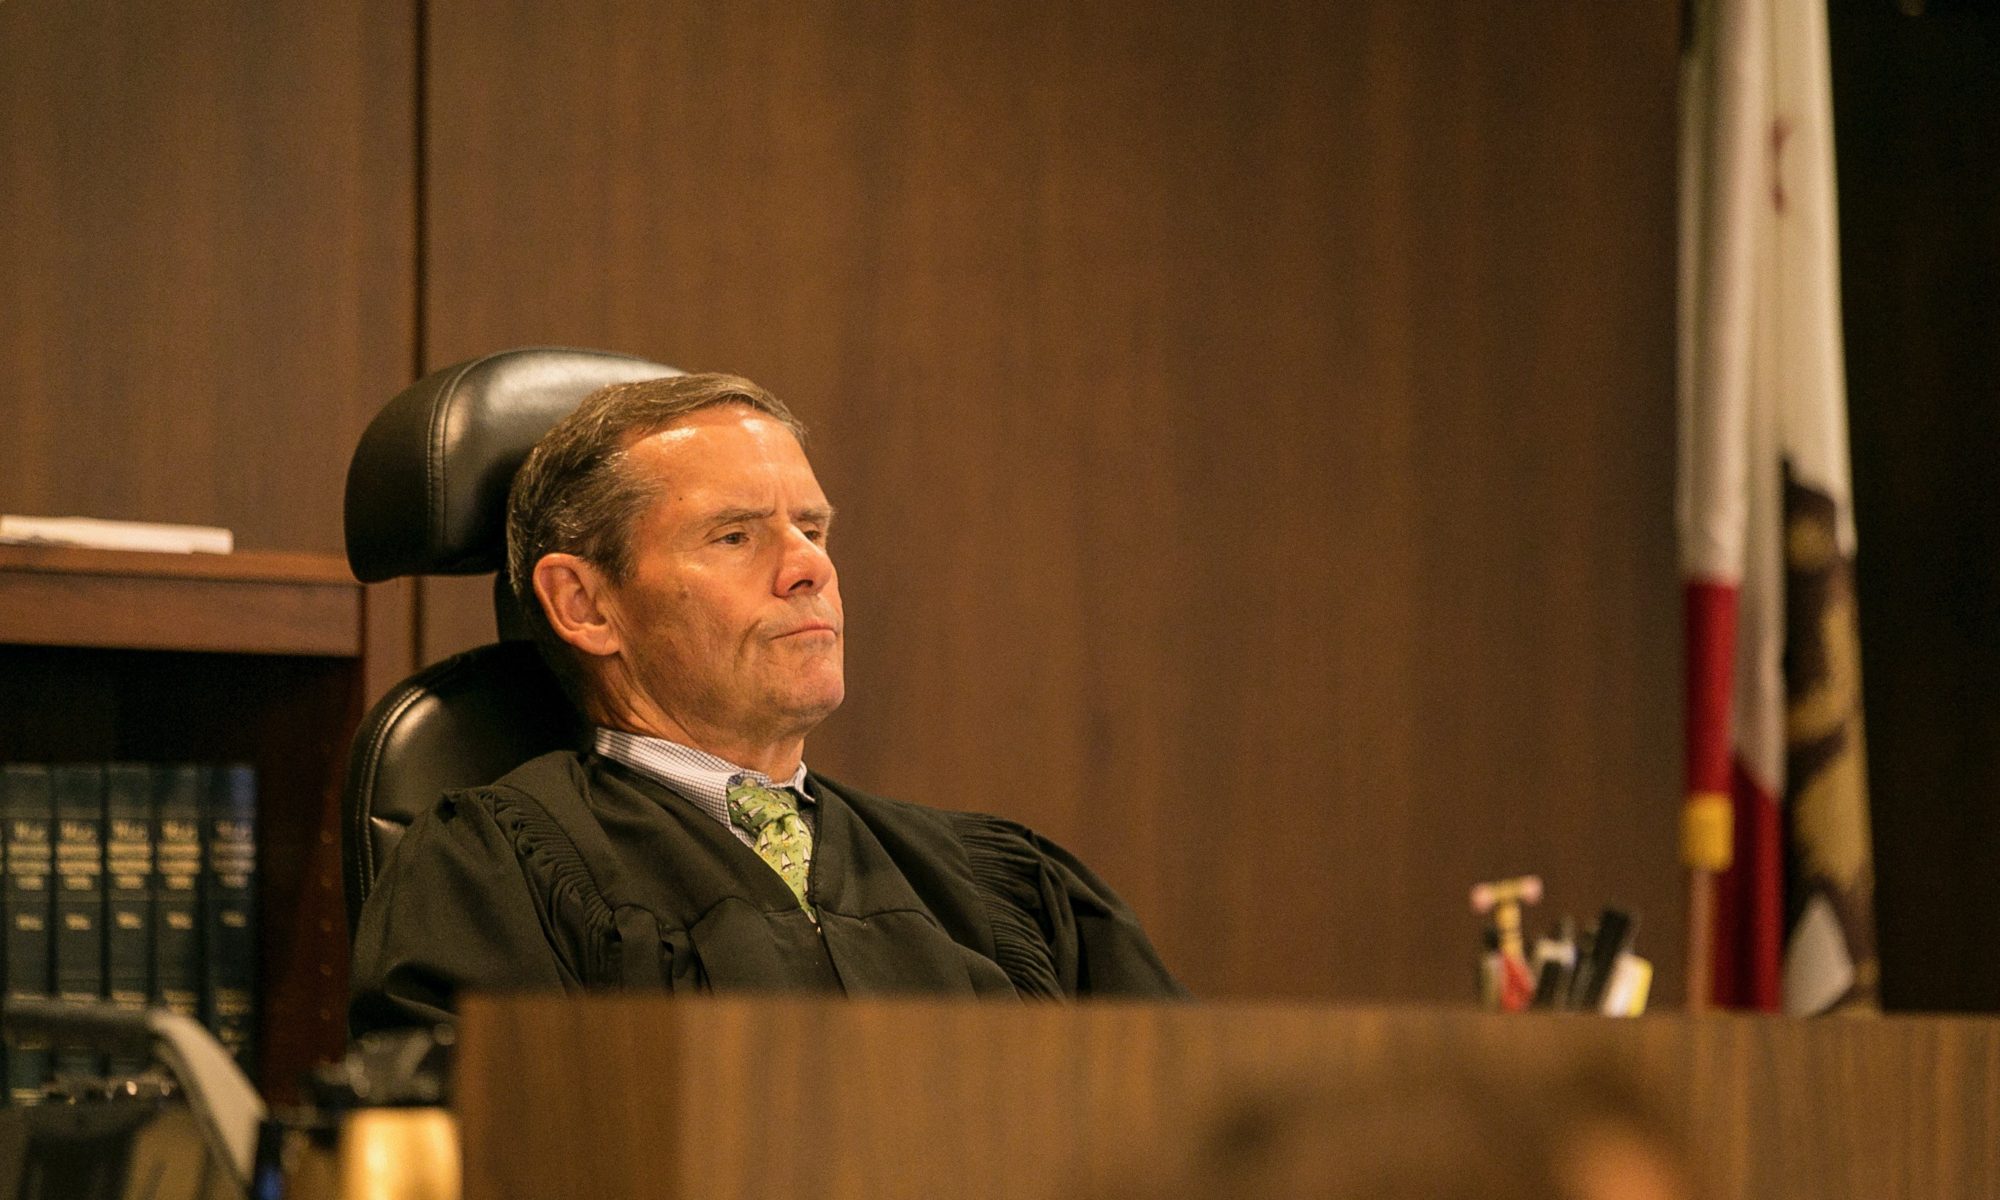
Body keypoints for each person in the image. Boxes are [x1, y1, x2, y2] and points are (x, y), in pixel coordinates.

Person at [349, 373, 1183, 1031]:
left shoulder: (997, 884)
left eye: (813, 530)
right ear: (585, 604)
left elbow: (1182, 1131)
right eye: (735, 536)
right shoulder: (492, 872)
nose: (810, 568)